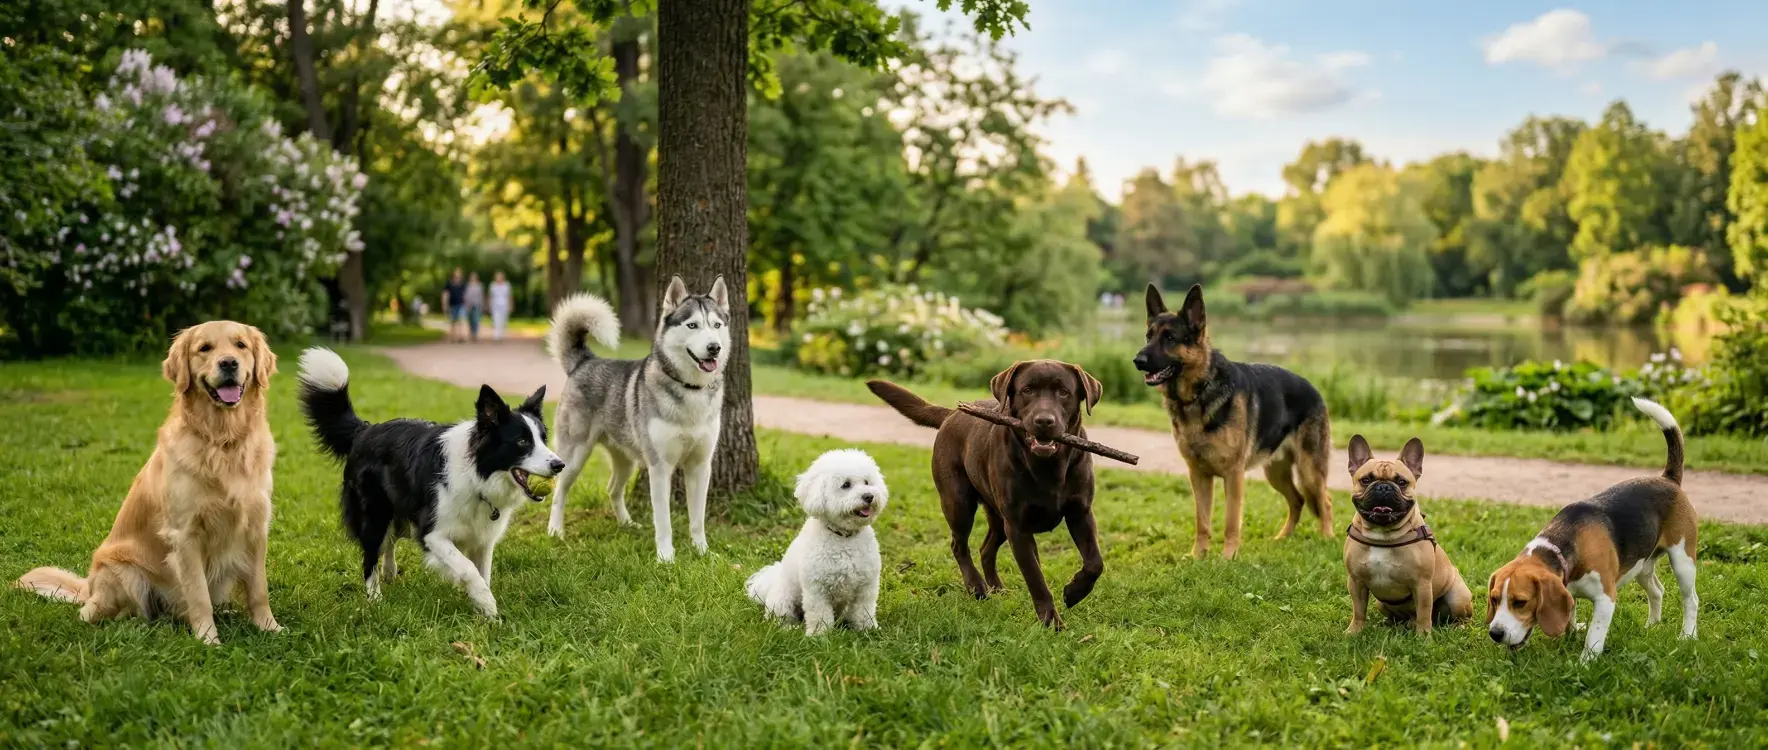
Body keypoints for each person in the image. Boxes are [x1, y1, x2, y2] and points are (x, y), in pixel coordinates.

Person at [442, 268, 468, 343]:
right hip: (452, 305)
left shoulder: (463, 284)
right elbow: (445, 294)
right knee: (453, 321)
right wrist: (444, 305)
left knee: (461, 320)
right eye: (456, 274)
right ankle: (453, 337)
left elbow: (466, 295)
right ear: (453, 275)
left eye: (459, 274)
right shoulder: (449, 283)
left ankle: (461, 336)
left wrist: (467, 304)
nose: (458, 276)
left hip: (461, 304)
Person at [489, 271, 513, 341]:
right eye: (497, 277)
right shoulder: (493, 285)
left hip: (504, 305)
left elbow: (509, 296)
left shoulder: (507, 285)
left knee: (503, 321)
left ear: (503, 278)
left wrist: (511, 305)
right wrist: (489, 305)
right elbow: (491, 296)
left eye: (500, 277)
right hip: (495, 306)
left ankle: (501, 335)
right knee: (496, 321)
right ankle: (496, 336)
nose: (499, 278)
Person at [464, 272, 486, 342]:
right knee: (470, 320)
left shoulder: (480, 285)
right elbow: (465, 295)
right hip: (469, 305)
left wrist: (482, 305)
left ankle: (475, 334)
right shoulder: (467, 285)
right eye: (472, 277)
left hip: (477, 305)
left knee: (476, 320)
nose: (473, 278)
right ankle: (471, 333)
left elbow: (481, 296)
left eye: (474, 277)